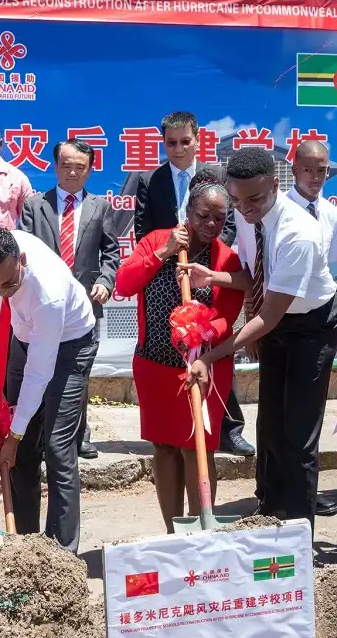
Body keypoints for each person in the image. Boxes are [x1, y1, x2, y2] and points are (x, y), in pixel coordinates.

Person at [184, 148, 337, 527]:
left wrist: (211, 356)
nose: (244, 208)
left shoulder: (299, 234)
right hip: (275, 321)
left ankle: (299, 529)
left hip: (312, 326)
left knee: (299, 432)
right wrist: (214, 276)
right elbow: (257, 275)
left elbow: (272, 313)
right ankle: (268, 511)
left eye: (254, 199)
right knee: (270, 421)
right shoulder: (247, 213)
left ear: (275, 184)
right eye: (237, 200)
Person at [116, 173, 243, 532]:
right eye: (204, 215)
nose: (211, 224)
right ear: (188, 211)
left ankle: (202, 527)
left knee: (198, 446)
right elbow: (124, 284)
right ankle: (173, 532)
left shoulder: (226, 259)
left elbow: (227, 319)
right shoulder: (157, 239)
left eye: (219, 218)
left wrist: (200, 329)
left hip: (203, 367)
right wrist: (164, 252)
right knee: (164, 448)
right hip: (154, 363)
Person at [127, 110, 251, 458]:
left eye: (185, 141)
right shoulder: (151, 180)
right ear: (163, 144)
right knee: (175, 358)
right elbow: (143, 230)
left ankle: (229, 428)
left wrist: (208, 251)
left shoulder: (219, 176)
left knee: (211, 346)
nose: (178, 148)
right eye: (171, 143)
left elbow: (224, 222)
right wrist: (169, 253)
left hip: (208, 273)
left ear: (197, 140)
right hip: (170, 276)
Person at [0, 228, 97, 553]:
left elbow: (39, 374)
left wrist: (13, 435)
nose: (2, 293)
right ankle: (26, 547)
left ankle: (60, 555)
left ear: (22, 261)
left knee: (57, 446)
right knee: (22, 450)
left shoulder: (48, 292)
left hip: (72, 345)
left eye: (9, 284)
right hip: (25, 337)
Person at [19, 139, 121, 460]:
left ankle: (80, 434)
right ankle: (41, 435)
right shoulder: (35, 206)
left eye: (80, 166)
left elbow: (111, 252)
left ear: (90, 170)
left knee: (79, 372)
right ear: (55, 165)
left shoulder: (100, 208)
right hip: (42, 304)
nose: (73, 172)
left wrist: (106, 280)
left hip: (85, 305)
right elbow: (21, 250)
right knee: (41, 367)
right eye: (66, 165)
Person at [282, 140, 337, 516]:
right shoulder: (280, 211)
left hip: (318, 317)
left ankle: (304, 494)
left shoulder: (331, 215)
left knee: (309, 415)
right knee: (278, 414)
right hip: (280, 318)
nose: (316, 177)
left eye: (322, 170)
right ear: (294, 167)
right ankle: (275, 494)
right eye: (309, 169)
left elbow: (327, 264)